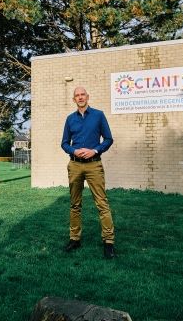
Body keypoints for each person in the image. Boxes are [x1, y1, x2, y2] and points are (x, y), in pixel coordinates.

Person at [60, 86, 116, 259]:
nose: (80, 97)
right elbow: (64, 143)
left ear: (87, 96)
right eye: (77, 95)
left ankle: (108, 242)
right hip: (75, 165)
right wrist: (74, 151)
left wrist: (95, 150)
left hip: (94, 165)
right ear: (74, 99)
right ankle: (74, 239)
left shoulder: (98, 115)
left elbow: (108, 139)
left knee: (102, 204)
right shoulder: (70, 119)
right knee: (75, 204)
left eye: (82, 94)